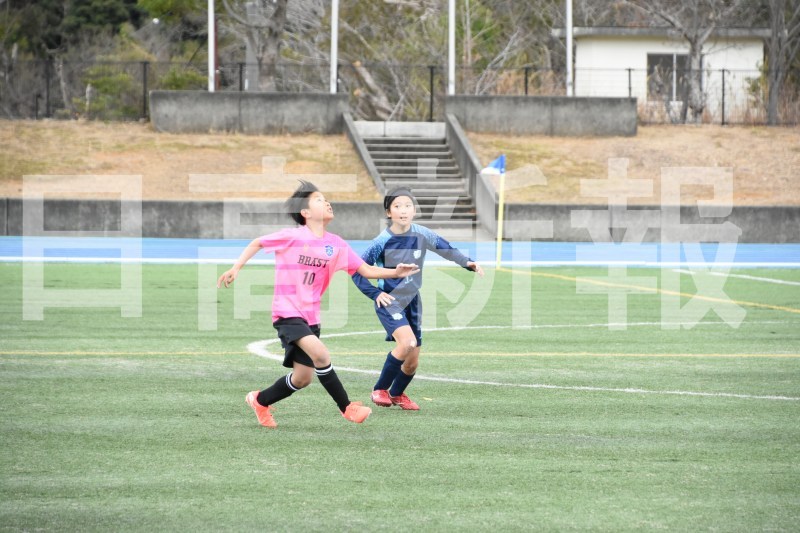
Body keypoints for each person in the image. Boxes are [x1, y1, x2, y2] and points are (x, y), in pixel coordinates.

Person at [217, 181, 419, 427]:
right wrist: (236, 267)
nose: (327, 202)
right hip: (287, 313)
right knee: (322, 354)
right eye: (319, 200)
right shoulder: (292, 236)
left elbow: (365, 270)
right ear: (305, 212)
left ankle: (260, 400)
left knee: (302, 379)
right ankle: (347, 407)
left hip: (311, 317)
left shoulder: (336, 244)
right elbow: (258, 242)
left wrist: (395, 272)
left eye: (326, 199)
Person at [351, 187, 484, 411]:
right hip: (390, 301)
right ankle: (379, 389)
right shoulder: (381, 241)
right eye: (397, 206)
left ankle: (396, 394)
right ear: (388, 212)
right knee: (407, 343)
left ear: (414, 210)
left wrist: (467, 262)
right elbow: (357, 271)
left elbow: (446, 249)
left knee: (412, 362)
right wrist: (376, 293)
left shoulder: (422, 234)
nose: (403, 210)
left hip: (412, 300)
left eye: (408, 206)